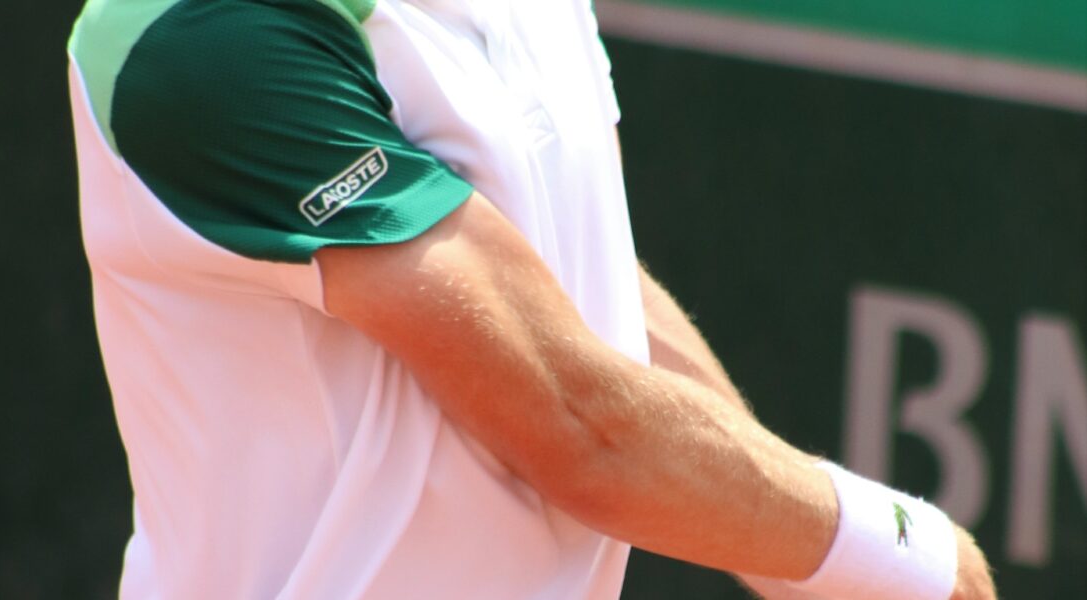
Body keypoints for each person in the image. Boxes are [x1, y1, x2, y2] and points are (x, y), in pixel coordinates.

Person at [66, 0, 996, 598]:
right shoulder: (200, 39)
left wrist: (804, 570)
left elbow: (573, 293)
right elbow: (577, 424)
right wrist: (909, 558)